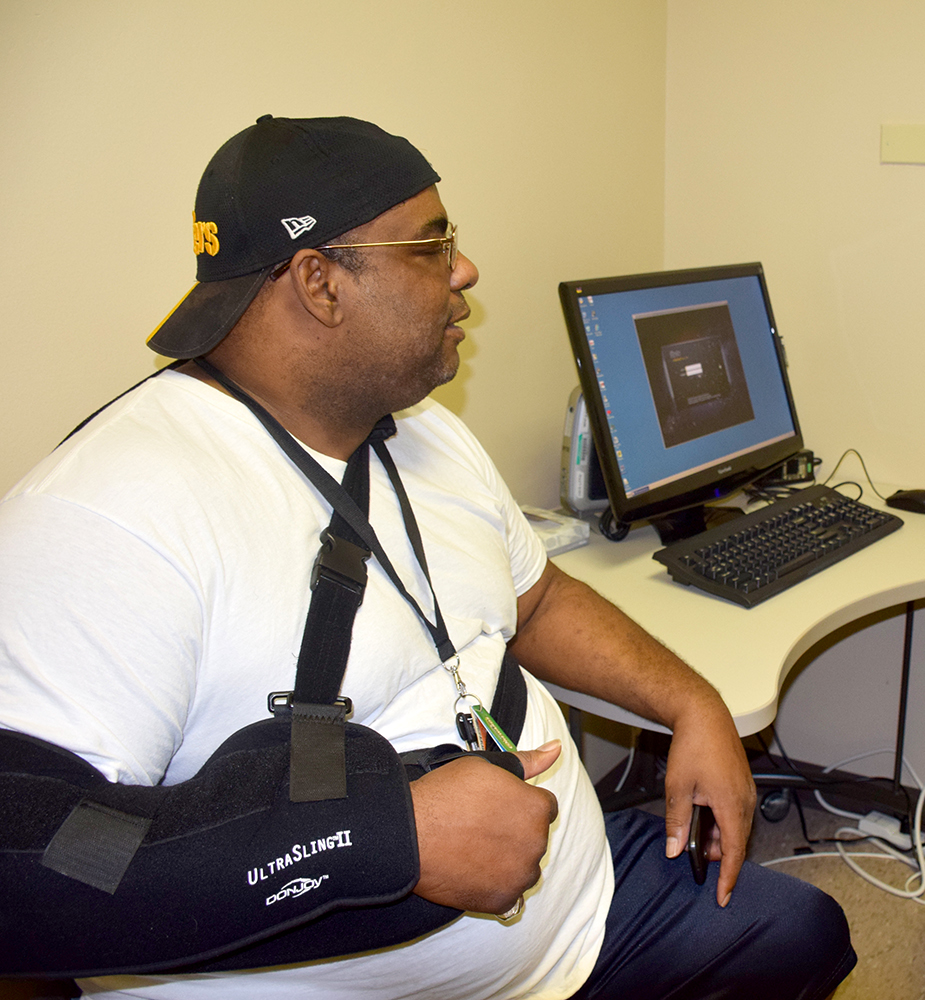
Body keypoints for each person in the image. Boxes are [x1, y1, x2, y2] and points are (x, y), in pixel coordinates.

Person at [0, 116, 854, 999]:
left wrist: (691, 702)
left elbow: (537, 601)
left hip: (586, 912)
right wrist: (385, 841)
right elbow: (33, 861)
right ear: (320, 282)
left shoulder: (427, 430)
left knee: (804, 933)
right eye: (432, 244)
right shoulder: (111, 512)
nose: (466, 269)